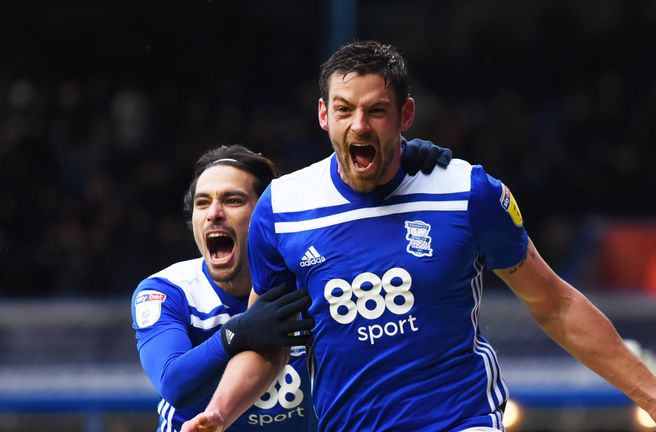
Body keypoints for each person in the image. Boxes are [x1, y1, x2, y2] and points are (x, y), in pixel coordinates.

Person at [182, 41, 656, 432]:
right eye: (344, 110)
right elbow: (270, 339)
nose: (359, 126)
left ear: (405, 116)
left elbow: (554, 304)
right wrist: (219, 413)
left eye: (376, 111)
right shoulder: (283, 207)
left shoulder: (467, 192)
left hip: (460, 420)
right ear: (323, 116)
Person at [132, 141, 451, 432]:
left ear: (265, 217)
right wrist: (237, 334)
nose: (214, 214)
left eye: (232, 200)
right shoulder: (167, 291)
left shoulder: (312, 281)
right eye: (203, 203)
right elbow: (173, 383)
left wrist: (396, 164)